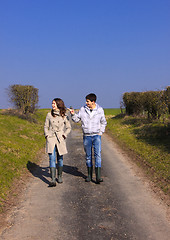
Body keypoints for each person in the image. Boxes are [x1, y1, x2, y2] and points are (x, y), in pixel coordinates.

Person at [68, 93, 107, 184]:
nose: (86, 103)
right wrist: (73, 114)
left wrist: (100, 133)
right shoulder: (82, 109)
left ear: (93, 102)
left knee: (98, 155)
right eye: (86, 101)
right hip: (87, 136)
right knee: (88, 156)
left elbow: (103, 122)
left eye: (88, 101)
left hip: (96, 135)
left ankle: (98, 176)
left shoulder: (100, 110)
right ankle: (89, 175)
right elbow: (77, 120)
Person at [44, 98, 71, 187]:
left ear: (59, 104)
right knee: (51, 158)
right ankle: (52, 179)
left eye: (54, 103)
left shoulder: (64, 115)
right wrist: (47, 135)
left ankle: (59, 176)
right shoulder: (49, 115)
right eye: (52, 103)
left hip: (60, 139)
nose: (52, 105)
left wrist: (64, 135)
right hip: (51, 138)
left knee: (60, 159)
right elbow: (46, 126)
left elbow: (68, 127)